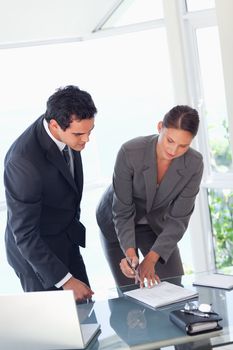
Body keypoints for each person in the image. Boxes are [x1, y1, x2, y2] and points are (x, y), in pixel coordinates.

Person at [4, 85, 97, 302]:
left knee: (86, 311)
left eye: (90, 131)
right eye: (79, 134)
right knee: (57, 330)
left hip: (65, 239)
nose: (86, 140)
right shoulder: (23, 162)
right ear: (54, 125)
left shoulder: (65, 125)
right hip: (36, 256)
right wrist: (65, 280)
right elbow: (25, 235)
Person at [96, 105, 203, 288]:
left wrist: (151, 259)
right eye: (170, 140)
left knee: (174, 286)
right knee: (131, 292)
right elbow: (122, 211)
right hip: (116, 221)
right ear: (160, 127)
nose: (174, 150)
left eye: (183, 145)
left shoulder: (194, 163)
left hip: (154, 223)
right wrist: (130, 255)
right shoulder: (130, 152)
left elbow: (179, 218)